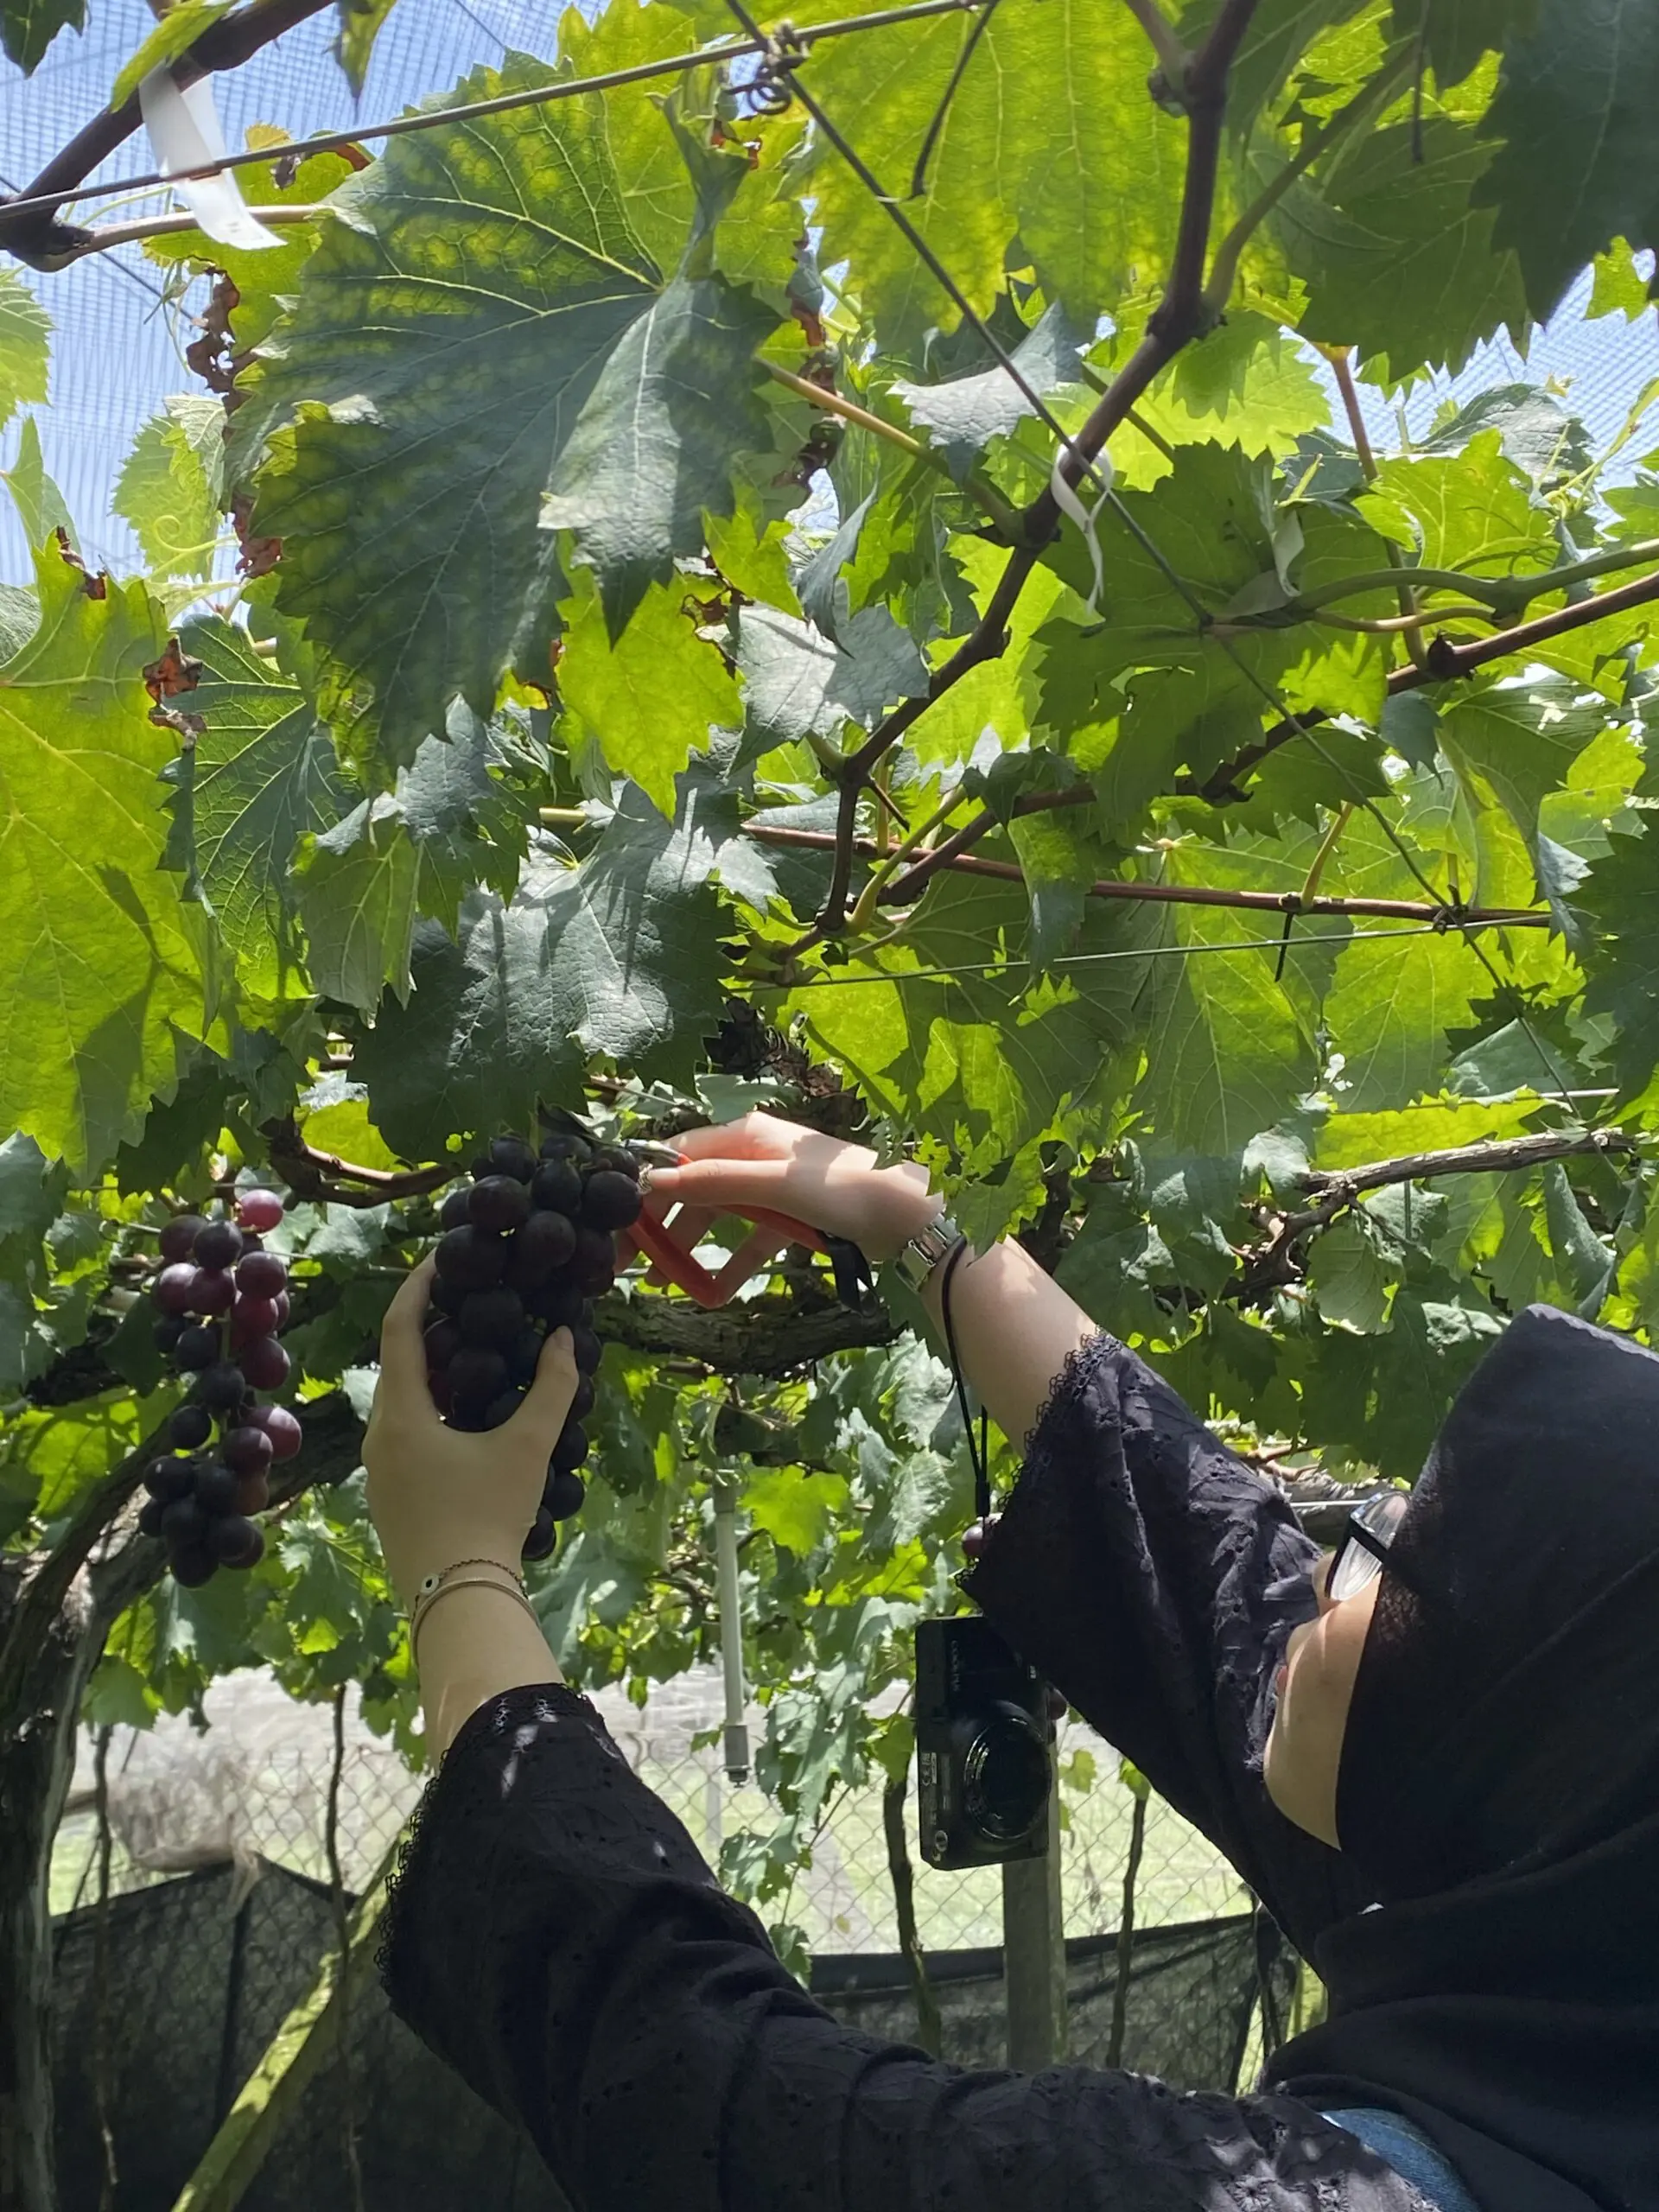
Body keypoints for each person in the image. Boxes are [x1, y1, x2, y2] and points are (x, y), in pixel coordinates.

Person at [365, 1114, 1659, 2212]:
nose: (1328, 1570)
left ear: (1505, 1744)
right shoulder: (1578, 1963)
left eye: (1398, 1556)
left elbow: (702, 2096)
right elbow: (1205, 1574)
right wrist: (912, 1229)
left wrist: (458, 1570)